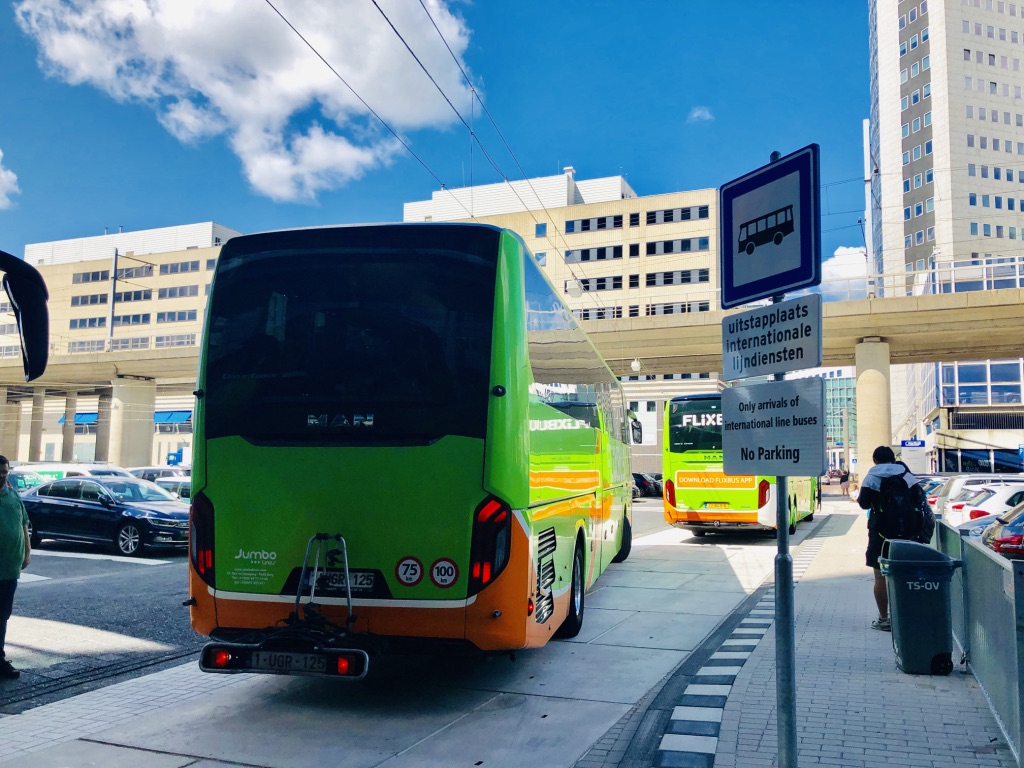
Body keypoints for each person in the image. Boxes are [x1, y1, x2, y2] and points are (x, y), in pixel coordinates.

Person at [856, 445, 917, 633]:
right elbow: (918, 500)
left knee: (880, 575)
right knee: (905, 573)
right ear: (893, 458)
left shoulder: (872, 476)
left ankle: (884, 619)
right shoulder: (906, 475)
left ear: (875, 460)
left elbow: (864, 503)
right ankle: (906, 617)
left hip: (880, 533)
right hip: (906, 532)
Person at [0, 456, 30, 679]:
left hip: (10, 568)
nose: (2, 476)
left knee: (2, 615)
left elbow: (23, 524)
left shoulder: (13, 495)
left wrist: (27, 553)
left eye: (5, 472)